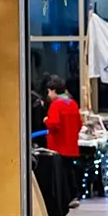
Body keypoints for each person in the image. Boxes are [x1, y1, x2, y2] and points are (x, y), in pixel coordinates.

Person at [43, 75, 82, 207]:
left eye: (49, 91)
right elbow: (79, 124)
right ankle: (73, 195)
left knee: (60, 174)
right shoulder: (73, 103)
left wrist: (46, 120)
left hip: (58, 145)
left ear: (54, 90)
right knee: (70, 171)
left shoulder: (55, 105)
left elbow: (54, 124)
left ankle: (63, 199)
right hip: (71, 144)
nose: (48, 95)